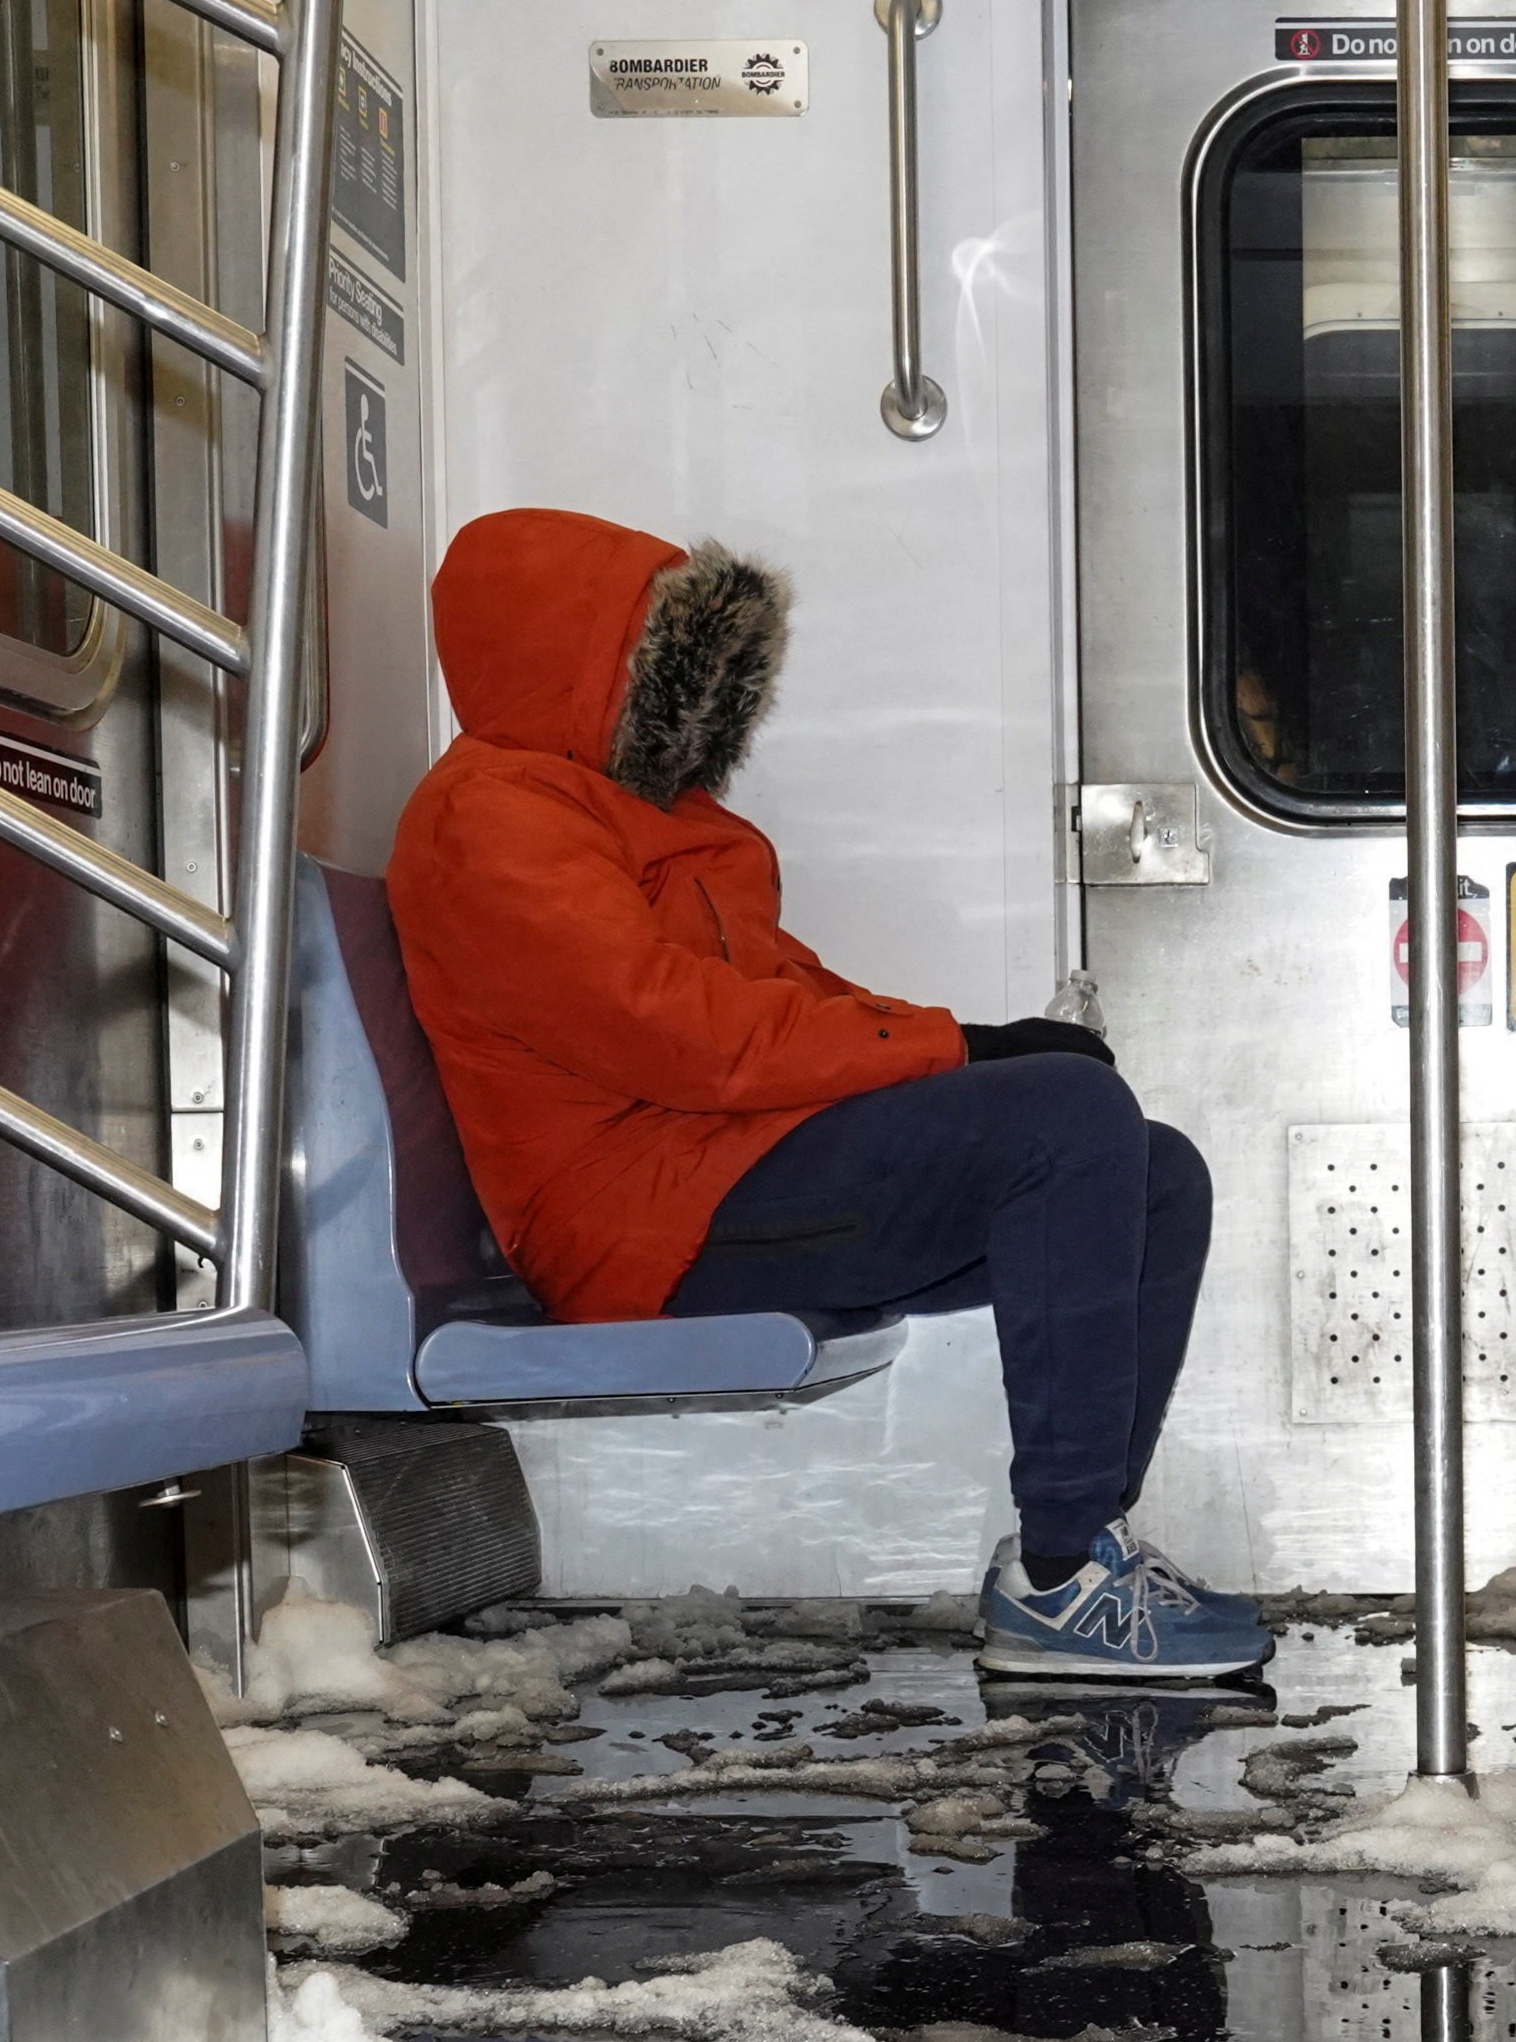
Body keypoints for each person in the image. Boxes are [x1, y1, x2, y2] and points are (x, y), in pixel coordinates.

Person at [383, 508, 1264, 1680]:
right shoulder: (489, 817)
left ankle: (1082, 1546)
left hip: (718, 1166)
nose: (696, 707)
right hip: (640, 1220)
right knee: (1067, 1119)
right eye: (667, 669)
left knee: (1155, 1172)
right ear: (578, 658)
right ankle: (1060, 1579)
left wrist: (970, 1044)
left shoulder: (646, 820)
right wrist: (961, 1049)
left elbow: (781, 991)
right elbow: (674, 1031)